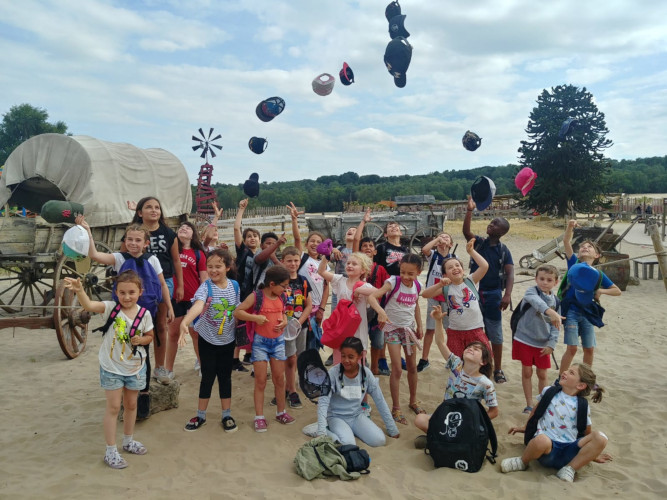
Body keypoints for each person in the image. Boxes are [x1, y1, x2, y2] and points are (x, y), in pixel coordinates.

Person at [78, 217, 173, 408]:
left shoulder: (152, 260)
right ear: (125, 241)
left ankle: (143, 391)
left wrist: (169, 306)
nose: (133, 243)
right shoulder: (119, 258)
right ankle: (122, 386)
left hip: (145, 312)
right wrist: (87, 231)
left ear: (146, 243)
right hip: (122, 313)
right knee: (122, 346)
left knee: (143, 351)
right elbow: (95, 255)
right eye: (130, 239)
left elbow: (162, 284)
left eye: (138, 240)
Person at [64, 272, 153, 469]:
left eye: (131, 292)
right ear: (116, 292)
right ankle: (110, 450)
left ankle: (128, 440)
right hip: (111, 367)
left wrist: (142, 340)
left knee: (131, 405)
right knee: (113, 408)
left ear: (140, 292)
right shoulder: (111, 308)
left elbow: (150, 335)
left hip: (135, 367)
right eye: (122, 292)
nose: (127, 296)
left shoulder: (144, 314)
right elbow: (89, 306)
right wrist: (80, 291)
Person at [501, 363, 611, 482]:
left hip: (569, 452)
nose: (565, 372)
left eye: (571, 373)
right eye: (567, 370)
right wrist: (526, 427)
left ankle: (569, 469)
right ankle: (523, 461)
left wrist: (592, 455)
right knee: (541, 440)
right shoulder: (549, 392)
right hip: (547, 450)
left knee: (601, 437)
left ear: (580, 385)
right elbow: (536, 411)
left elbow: (586, 433)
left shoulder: (583, 405)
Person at [414, 305, 497, 448]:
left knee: (477, 433)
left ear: (483, 361)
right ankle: (446, 440)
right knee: (420, 419)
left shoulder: (486, 383)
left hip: (467, 420)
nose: (471, 349)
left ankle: (439, 439)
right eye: (469, 347)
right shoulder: (456, 365)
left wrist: (476, 421)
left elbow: (494, 411)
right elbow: (440, 342)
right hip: (446, 416)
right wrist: (438, 321)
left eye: (476, 349)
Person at [178, 249, 240, 433]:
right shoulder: (206, 287)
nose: (213, 270)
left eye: (218, 266)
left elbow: (236, 310)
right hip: (207, 338)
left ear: (228, 267)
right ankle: (201, 415)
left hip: (228, 340)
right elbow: (198, 305)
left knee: (225, 377)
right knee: (207, 376)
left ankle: (226, 414)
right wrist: (185, 321)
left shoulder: (235, 286)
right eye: (210, 266)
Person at [126, 197, 183, 383]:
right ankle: (135, 364)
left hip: (162, 282)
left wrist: (180, 285)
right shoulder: (133, 232)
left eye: (157, 207)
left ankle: (160, 368)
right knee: (134, 325)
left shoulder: (169, 234)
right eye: (149, 207)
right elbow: (123, 256)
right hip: (136, 282)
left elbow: (176, 260)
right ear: (140, 212)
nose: (154, 210)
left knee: (160, 325)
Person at [234, 265, 292, 432]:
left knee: (279, 379)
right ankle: (259, 416)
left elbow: (284, 312)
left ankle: (281, 412)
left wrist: (285, 321)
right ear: (272, 284)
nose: (286, 289)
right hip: (260, 343)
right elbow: (238, 312)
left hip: (278, 342)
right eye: (284, 286)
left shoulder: (281, 297)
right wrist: (255, 318)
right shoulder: (256, 296)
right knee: (260, 380)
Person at [463, 195, 514, 384]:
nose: (491, 225)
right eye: (491, 222)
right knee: (475, 330)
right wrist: (469, 210)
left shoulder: (503, 250)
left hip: (493, 294)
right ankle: (475, 365)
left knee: (495, 332)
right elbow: (466, 231)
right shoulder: (480, 243)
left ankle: (497, 369)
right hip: (474, 292)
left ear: (502, 232)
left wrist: (507, 294)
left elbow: (510, 273)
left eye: (495, 224)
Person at [559, 220, 621, 373]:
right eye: (582, 247)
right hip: (572, 311)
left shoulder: (598, 274)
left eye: (589, 247)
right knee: (572, 348)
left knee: (589, 349)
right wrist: (570, 226)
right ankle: (561, 379)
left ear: (597, 255)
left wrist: (601, 291)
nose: (585, 248)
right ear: (578, 254)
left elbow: (617, 290)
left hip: (587, 312)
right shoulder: (573, 264)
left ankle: (586, 379)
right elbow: (566, 241)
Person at [316, 337, 400, 446]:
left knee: (379, 440)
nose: (346, 360)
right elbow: (323, 402)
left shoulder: (366, 374)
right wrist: (321, 432)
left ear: (360, 356)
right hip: (336, 417)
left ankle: (344, 431)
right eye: (343, 356)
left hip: (356, 415)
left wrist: (392, 429)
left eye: (351, 357)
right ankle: (321, 429)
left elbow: (380, 401)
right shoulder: (332, 373)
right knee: (349, 444)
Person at [373, 253, 424, 425]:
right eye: (403, 272)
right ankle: (396, 407)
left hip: (409, 329)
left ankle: (413, 400)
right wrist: (381, 312)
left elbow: (415, 305)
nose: (406, 276)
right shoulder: (393, 282)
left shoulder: (418, 285)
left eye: (410, 273)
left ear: (419, 272)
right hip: (392, 329)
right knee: (396, 368)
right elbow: (373, 296)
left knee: (412, 367)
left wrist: (420, 325)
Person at [422, 237, 491, 357]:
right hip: (455, 332)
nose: (454, 268)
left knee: (480, 361)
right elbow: (425, 294)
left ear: (463, 270)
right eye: (450, 268)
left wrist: (471, 252)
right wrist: (439, 283)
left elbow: (484, 266)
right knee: (458, 364)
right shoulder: (446, 288)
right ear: (445, 274)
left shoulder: (471, 280)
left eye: (457, 265)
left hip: (475, 329)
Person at [318, 251, 388, 365]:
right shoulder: (340, 280)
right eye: (348, 263)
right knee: (339, 361)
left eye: (354, 264)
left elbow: (379, 292)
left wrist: (359, 290)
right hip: (340, 329)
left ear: (363, 270)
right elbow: (321, 271)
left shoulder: (365, 285)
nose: (349, 265)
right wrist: (326, 257)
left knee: (357, 364)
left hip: (358, 332)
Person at [513, 264, 564, 413]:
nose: (544, 282)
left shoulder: (556, 301)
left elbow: (556, 326)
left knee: (542, 374)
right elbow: (535, 301)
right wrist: (549, 311)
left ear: (555, 282)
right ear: (536, 279)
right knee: (527, 372)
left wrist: (552, 344)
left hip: (543, 342)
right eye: (541, 278)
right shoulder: (531, 291)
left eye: (549, 280)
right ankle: (529, 403)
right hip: (524, 339)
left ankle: (542, 403)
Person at [164, 222, 208, 382]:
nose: (183, 228)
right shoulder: (170, 252)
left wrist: (203, 301)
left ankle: (202, 364)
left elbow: (204, 279)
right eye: (181, 227)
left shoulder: (198, 254)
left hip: (193, 300)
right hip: (174, 299)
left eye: (188, 228)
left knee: (196, 334)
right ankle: (168, 369)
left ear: (193, 234)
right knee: (173, 333)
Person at [366, 217, 410, 374]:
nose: (393, 228)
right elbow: (375, 267)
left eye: (396, 226)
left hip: (401, 287)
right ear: (385, 234)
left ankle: (396, 356)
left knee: (397, 320)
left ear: (400, 231)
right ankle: (382, 358)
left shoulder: (405, 250)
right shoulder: (382, 247)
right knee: (384, 323)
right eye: (390, 227)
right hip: (385, 287)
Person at [276, 246, 313, 409]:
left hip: (301, 326)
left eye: (296, 260)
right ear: (282, 261)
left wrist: (299, 322)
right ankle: (291, 391)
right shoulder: (278, 281)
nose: (293, 264)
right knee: (289, 358)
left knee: (297, 357)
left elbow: (309, 304)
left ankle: (287, 387)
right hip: (284, 326)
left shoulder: (303, 281)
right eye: (289, 260)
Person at [289, 203, 329, 349]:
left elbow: (326, 288)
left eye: (319, 242)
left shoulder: (324, 263)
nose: (315, 244)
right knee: (302, 343)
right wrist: (294, 220)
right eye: (312, 241)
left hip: (317, 307)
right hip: (302, 305)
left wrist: (322, 309)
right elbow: (297, 239)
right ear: (306, 244)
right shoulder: (303, 258)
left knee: (314, 344)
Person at [418, 232, 456, 373]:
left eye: (446, 237)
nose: (443, 239)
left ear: (451, 244)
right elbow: (424, 250)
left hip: (448, 296)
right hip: (433, 295)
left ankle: (450, 358)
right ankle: (424, 359)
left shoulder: (454, 258)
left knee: (449, 330)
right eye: (441, 236)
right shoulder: (433, 255)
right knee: (430, 329)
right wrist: (437, 240)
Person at [354, 231, 390, 376]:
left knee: (377, 343)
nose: (368, 248)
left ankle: (374, 368)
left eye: (370, 246)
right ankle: (362, 367)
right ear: (360, 250)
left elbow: (386, 288)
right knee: (359, 342)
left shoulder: (380, 269)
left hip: (376, 311)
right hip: (359, 311)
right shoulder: (356, 269)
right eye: (364, 245)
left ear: (375, 251)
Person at [233, 198, 261, 369]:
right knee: (240, 326)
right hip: (242, 294)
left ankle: (249, 355)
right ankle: (235, 360)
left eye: (255, 236)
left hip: (255, 295)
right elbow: (236, 228)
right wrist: (241, 210)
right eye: (248, 236)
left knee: (252, 326)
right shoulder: (243, 252)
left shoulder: (261, 256)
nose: (252, 238)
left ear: (259, 240)